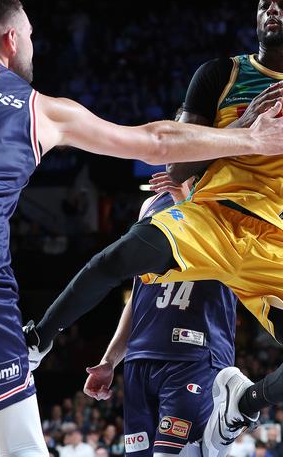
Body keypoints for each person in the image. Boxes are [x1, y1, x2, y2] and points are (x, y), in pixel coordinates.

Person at [0, 0, 283, 457]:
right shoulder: (41, 107)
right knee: (20, 446)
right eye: (33, 38)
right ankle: (39, 338)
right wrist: (247, 136)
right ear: (13, 39)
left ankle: (46, 337)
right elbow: (156, 142)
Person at [27, 0, 283, 457]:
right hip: (211, 218)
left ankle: (244, 401)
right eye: (264, 4)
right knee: (116, 259)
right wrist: (244, 129)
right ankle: (39, 339)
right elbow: (176, 169)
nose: (271, 10)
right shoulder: (222, 75)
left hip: (276, 242)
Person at [83, 174, 237, 456]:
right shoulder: (151, 204)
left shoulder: (231, 193)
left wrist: (184, 201)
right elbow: (138, 292)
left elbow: (224, 257)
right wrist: (110, 359)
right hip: (141, 359)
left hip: (196, 354)